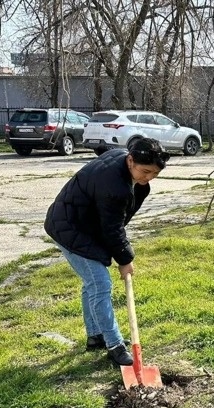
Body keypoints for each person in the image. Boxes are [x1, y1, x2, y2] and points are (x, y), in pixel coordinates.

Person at [44, 138, 169, 365]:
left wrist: (117, 249)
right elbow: (113, 227)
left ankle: (95, 336)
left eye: (155, 174)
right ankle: (115, 345)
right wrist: (125, 259)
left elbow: (116, 221)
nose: (149, 178)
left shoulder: (125, 165)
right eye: (146, 171)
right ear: (130, 160)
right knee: (100, 284)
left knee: (92, 282)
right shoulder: (114, 186)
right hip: (70, 228)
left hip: (86, 225)